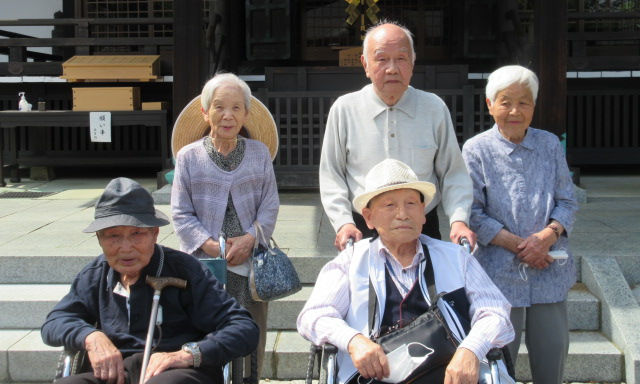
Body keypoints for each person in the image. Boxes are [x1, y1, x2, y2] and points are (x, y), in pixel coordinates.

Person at [298, 159, 514, 384]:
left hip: (449, 374)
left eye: (411, 203)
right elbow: (314, 315)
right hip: (374, 377)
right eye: (389, 205)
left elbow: (495, 312)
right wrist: (353, 340)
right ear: (369, 217)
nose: (402, 214)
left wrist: (471, 349)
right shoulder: (351, 261)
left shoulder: (456, 258)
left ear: (423, 213)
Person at [41, 177, 258, 384]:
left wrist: (188, 355)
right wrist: (89, 335)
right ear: (99, 239)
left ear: (155, 233)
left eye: (137, 234)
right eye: (113, 236)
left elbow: (243, 327)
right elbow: (55, 322)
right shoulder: (96, 274)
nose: (126, 248)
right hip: (114, 372)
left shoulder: (185, 270)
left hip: (176, 372)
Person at [461, 65, 578, 384]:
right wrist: (521, 246)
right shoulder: (476, 149)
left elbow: (567, 200)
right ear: (489, 104)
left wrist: (546, 237)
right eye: (505, 101)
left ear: (534, 106)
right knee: (498, 366)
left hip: (548, 267)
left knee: (551, 358)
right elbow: (473, 212)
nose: (515, 110)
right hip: (499, 273)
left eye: (524, 102)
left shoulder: (550, 144)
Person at [319, 20, 475, 251]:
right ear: (366, 64)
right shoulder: (345, 109)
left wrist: (459, 220)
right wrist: (343, 223)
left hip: (422, 225)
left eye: (401, 58)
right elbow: (331, 175)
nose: (392, 68)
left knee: (428, 286)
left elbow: (453, 173)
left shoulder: (433, 107)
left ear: (413, 63)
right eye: (381, 59)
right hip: (363, 227)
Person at [171, 72, 279, 380]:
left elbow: (270, 205)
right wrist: (210, 246)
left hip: (250, 261)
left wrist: (249, 240)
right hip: (206, 263)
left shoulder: (259, 154)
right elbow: (180, 212)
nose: (228, 115)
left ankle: (249, 378)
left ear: (246, 113)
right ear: (205, 112)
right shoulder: (188, 158)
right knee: (206, 329)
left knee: (251, 329)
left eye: (236, 108)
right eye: (219, 107)